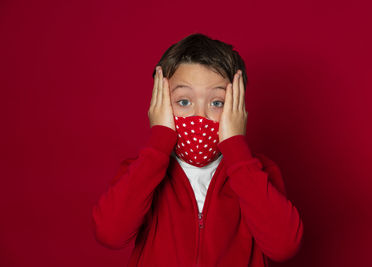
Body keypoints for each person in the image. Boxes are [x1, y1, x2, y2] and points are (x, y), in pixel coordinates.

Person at [92, 33, 304, 266]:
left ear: (238, 108)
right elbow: (110, 234)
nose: (199, 116)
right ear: (159, 104)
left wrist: (237, 152)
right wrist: (158, 143)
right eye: (184, 102)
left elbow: (284, 246)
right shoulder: (141, 171)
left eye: (217, 103)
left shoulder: (259, 172)